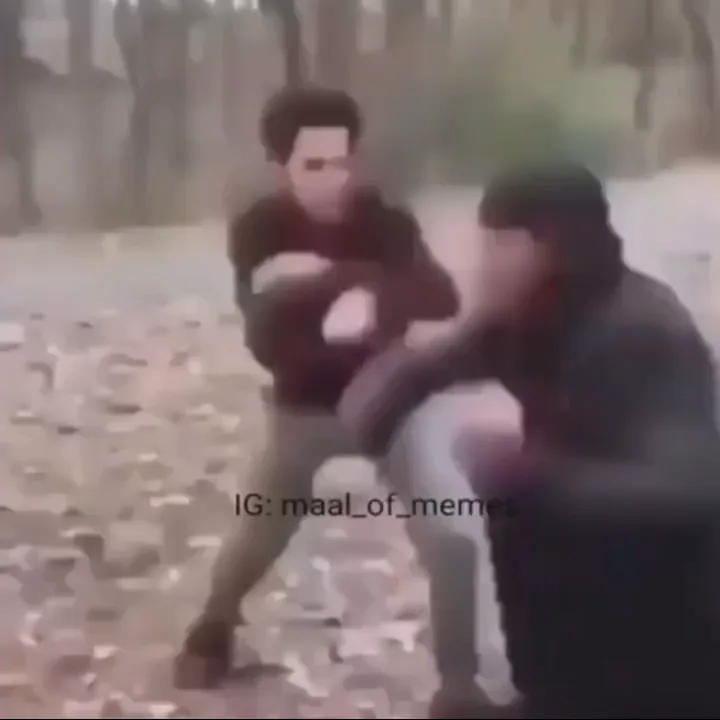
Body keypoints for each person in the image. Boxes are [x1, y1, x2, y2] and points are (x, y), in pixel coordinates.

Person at [339, 163, 720, 718]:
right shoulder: (530, 315)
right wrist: (379, 409)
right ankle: (551, 697)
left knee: (527, 504)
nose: (483, 264)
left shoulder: (644, 331)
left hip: (669, 601)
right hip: (580, 558)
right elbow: (435, 363)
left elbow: (691, 490)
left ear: (554, 248)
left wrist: (528, 473)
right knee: (522, 516)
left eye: (500, 245)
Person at [173, 85, 493, 714]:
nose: (332, 180)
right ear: (281, 166)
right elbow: (269, 340)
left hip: (391, 402)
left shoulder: (385, 222)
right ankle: (213, 628)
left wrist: (362, 293)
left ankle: (459, 687)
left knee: (453, 534)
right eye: (313, 165)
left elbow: (441, 296)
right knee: (259, 529)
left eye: (342, 162)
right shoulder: (260, 229)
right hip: (303, 411)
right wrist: (353, 291)